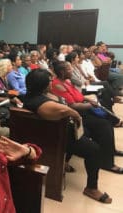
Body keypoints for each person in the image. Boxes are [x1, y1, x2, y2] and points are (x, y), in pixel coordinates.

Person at [24, 69, 112, 203]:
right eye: (49, 81)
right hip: (55, 138)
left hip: (62, 131)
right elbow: (63, 109)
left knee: (90, 131)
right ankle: (91, 188)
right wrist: (75, 114)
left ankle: (65, 162)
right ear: (42, 84)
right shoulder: (37, 101)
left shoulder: (36, 94)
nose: (51, 83)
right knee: (94, 150)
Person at [51, 61, 123, 173]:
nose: (72, 71)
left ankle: (110, 152)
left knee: (106, 122)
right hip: (74, 115)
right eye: (70, 69)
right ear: (62, 72)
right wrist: (90, 104)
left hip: (83, 109)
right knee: (104, 125)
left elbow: (79, 96)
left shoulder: (67, 82)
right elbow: (72, 105)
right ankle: (107, 163)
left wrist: (88, 99)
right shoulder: (57, 85)